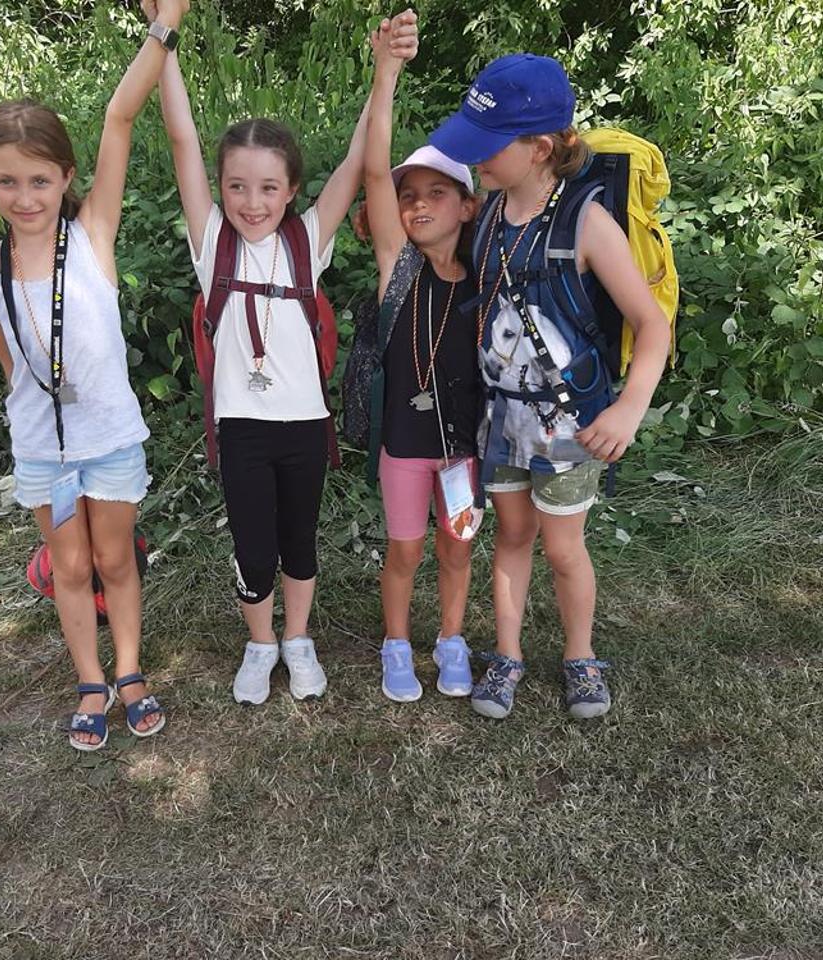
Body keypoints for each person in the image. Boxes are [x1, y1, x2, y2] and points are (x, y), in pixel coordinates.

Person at [156, 13, 418, 705]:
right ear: (220, 188)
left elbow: (361, 159)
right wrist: (164, 36)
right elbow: (182, 139)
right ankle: (259, 644)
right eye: (237, 186)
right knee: (253, 547)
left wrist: (385, 72)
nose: (252, 202)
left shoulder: (307, 240)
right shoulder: (211, 241)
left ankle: (297, 640)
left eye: (269, 187)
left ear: (293, 190)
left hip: (305, 423)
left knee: (300, 542)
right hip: (241, 426)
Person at [0, 0, 189, 750]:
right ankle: (90, 681)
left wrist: (165, 24)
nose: (24, 198)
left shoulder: (93, 235)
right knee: (70, 565)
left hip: (110, 439)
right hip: (43, 450)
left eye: (39, 180)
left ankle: (130, 671)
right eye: (6, 182)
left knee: (115, 559)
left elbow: (120, 117)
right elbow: (13, 362)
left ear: (66, 177)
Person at [428, 54, 671, 719]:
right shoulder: (488, 215)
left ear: (539, 148)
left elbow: (653, 325)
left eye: (488, 145)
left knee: (563, 548)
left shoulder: (587, 224)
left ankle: (580, 657)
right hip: (502, 419)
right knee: (510, 537)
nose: (474, 157)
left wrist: (628, 409)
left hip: (569, 425)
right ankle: (507, 656)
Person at [360, 13, 481, 703]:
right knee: (405, 549)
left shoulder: (488, 275)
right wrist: (386, 72)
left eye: (437, 193)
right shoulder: (397, 268)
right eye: (410, 197)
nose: (418, 205)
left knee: (457, 546)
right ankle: (398, 643)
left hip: (463, 449)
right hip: (404, 445)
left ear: (467, 206)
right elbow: (375, 170)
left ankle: (452, 640)